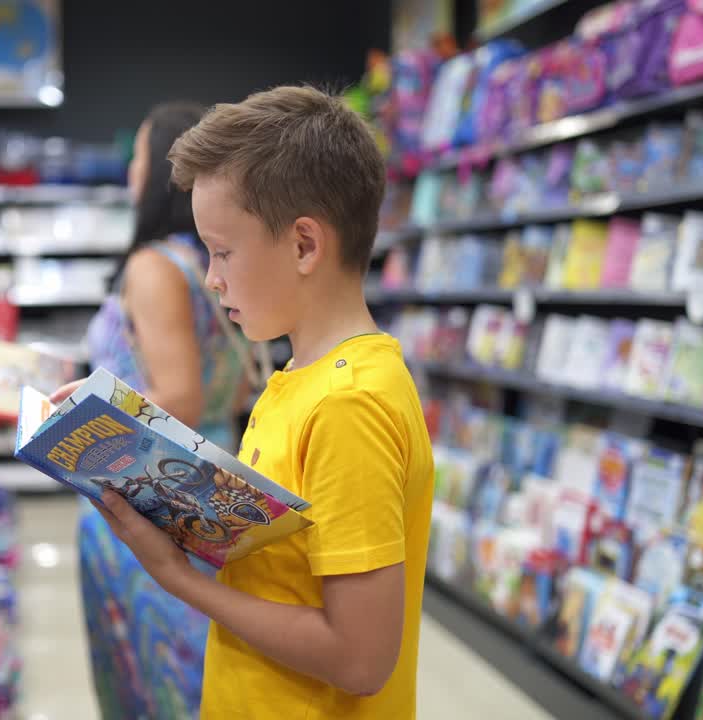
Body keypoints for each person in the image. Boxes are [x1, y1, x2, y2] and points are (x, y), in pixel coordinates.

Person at [78, 86, 436, 719]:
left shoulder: (348, 405)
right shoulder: (302, 375)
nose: (211, 279)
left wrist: (181, 580)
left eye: (223, 251)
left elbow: (360, 658)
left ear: (304, 245)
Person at [71, 101, 258, 719]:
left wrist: (74, 415)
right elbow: (228, 388)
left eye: (139, 156)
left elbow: (178, 396)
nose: (130, 169)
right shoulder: (208, 262)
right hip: (205, 488)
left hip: (141, 498)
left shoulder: (154, 267)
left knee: (154, 676)